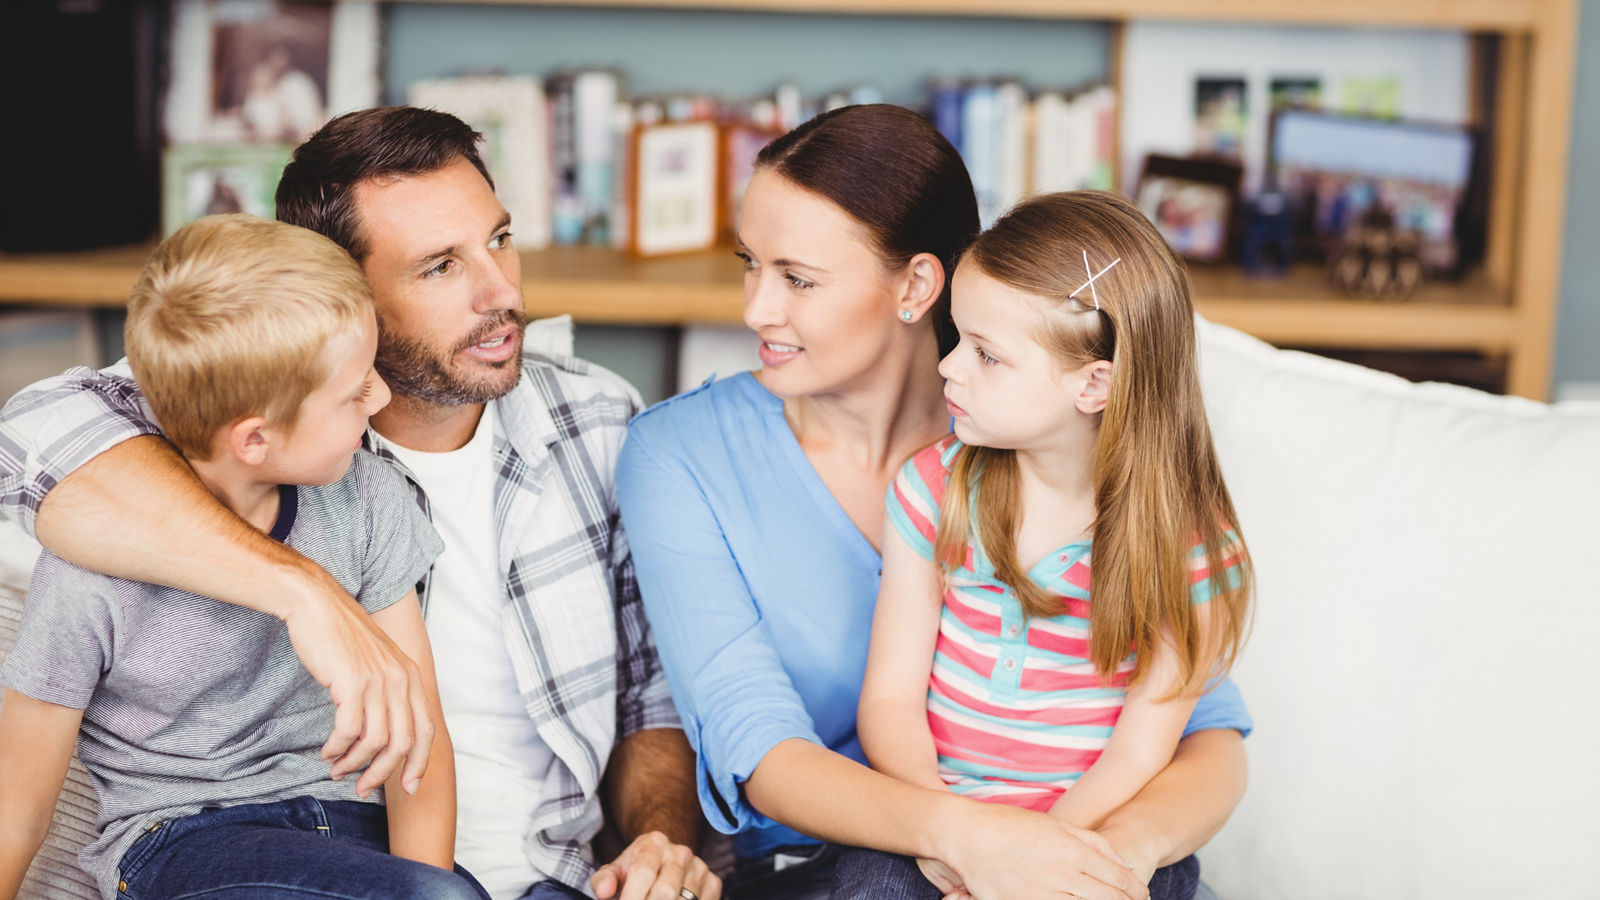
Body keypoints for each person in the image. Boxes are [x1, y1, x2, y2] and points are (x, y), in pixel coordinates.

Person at [0, 108, 715, 900]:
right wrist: (301, 590)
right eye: (440, 266)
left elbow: (649, 692)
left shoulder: (598, 418)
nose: (502, 291)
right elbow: (29, 439)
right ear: (340, 289)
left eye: (500, 239)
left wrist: (660, 843)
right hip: (261, 857)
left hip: (542, 875)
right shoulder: (248, 398)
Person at [616, 104, 1251, 900]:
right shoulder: (680, 456)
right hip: (847, 866)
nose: (755, 310)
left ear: (917, 283)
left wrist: (1093, 860)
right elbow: (762, 753)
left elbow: (1204, 732)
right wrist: (973, 845)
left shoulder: (1046, 444)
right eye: (750, 262)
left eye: (798, 278)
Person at [0, 214, 483, 900]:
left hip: (354, 836)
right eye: (353, 394)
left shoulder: (368, 499)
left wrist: (426, 883)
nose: (380, 398)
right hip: (183, 845)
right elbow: (17, 809)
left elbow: (418, 748)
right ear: (255, 439)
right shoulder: (86, 572)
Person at [845, 190, 1255, 900]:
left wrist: (1033, 863)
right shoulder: (932, 490)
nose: (948, 368)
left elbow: (1140, 752)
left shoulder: (1191, 548)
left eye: (987, 355)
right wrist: (954, 838)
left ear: (1093, 384)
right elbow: (889, 701)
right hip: (938, 824)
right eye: (957, 338)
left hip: (1094, 833)